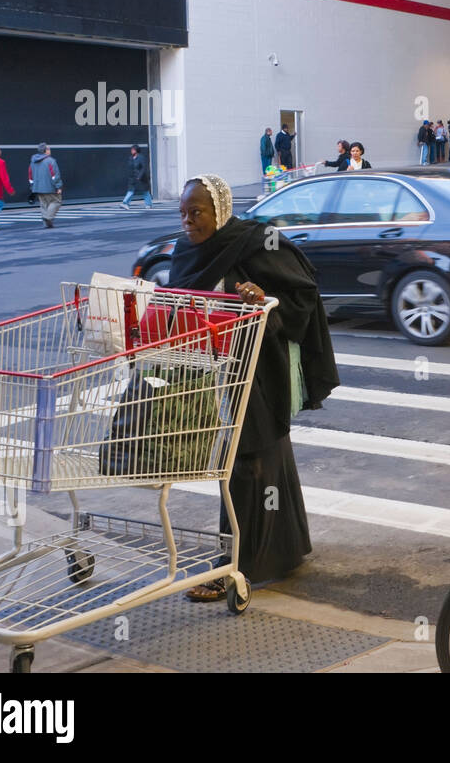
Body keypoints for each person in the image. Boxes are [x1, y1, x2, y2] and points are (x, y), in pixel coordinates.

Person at [170, 175, 339, 601]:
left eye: (197, 212)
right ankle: (284, 550)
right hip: (210, 373)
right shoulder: (186, 250)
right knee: (263, 458)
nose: (188, 221)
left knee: (248, 462)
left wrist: (262, 299)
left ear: (220, 210)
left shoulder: (255, 241)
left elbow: (302, 294)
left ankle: (236, 566)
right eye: (184, 213)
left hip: (255, 370)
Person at [29, 143, 64, 228]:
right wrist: (58, 186)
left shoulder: (33, 162)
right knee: (56, 201)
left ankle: (46, 222)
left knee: (44, 204)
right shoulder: (51, 161)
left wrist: (32, 186)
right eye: (49, 149)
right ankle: (48, 217)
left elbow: (30, 175)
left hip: (37, 187)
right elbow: (55, 175)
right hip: (50, 187)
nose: (50, 150)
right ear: (46, 151)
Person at [120, 145, 153, 209]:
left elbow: (143, 168)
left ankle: (148, 204)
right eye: (131, 150)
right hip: (133, 178)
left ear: (136, 150)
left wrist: (140, 176)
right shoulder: (131, 158)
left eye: (133, 150)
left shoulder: (141, 157)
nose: (131, 151)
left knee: (145, 191)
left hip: (142, 178)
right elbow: (130, 168)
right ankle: (125, 203)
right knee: (130, 190)